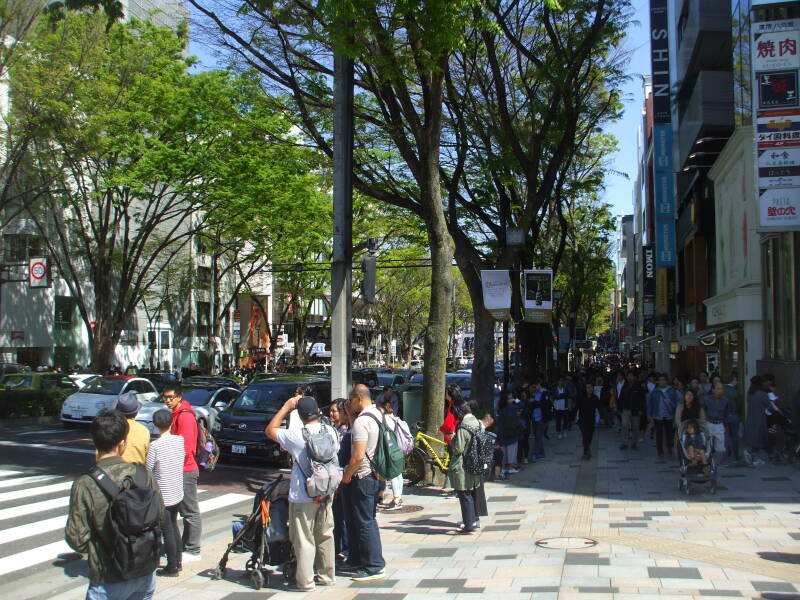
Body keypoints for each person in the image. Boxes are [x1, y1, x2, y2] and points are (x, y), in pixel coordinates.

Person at [66, 410, 163, 600]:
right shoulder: (143, 475)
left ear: (94, 442)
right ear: (122, 444)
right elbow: (160, 516)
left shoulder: (86, 483)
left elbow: (76, 538)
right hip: (145, 570)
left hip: (108, 575)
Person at [265, 395, 338, 592]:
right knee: (325, 534)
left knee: (304, 539)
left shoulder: (296, 435)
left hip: (303, 494)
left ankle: (305, 582)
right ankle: (327, 575)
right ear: (319, 412)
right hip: (326, 491)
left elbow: (270, 430)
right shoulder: (331, 431)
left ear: (300, 415)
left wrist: (285, 407)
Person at [341, 384, 386, 582]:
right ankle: (358, 559)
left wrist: (347, 476)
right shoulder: (378, 415)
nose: (349, 404)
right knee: (361, 520)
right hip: (377, 475)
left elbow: (358, 456)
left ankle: (374, 566)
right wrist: (351, 416)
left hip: (363, 477)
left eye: (351, 400)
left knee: (366, 522)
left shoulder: (362, 423)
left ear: (359, 398)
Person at [161, 383, 202, 562]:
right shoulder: (176, 414)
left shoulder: (184, 417)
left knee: (190, 511)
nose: (168, 401)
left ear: (179, 397)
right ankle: (185, 545)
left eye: (171, 398)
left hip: (186, 469)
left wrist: (171, 463)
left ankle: (193, 549)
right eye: (165, 398)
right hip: (180, 468)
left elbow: (187, 448)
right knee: (184, 510)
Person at [146, 409, 185, 577]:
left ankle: (172, 566)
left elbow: (148, 468)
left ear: (155, 425)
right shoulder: (179, 440)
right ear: (171, 423)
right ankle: (178, 561)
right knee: (174, 525)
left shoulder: (155, 445)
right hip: (177, 489)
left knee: (167, 529)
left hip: (163, 492)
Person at [448, 400, 483, 534]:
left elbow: (458, 448)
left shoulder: (463, 427)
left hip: (464, 464)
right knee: (472, 492)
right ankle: (474, 520)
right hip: (476, 462)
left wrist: (453, 438)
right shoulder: (477, 422)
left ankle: (469, 524)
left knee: (464, 494)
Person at [330, 399, 350, 562]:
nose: (331, 414)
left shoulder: (345, 431)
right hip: (336, 478)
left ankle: (344, 548)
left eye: (334, 411)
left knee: (341, 516)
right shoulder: (334, 429)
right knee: (337, 516)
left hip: (342, 478)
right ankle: (339, 547)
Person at [377, 396, 405, 511]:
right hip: (398, 449)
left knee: (392, 474)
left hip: (390, 449)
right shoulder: (395, 418)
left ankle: (396, 500)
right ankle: (399, 497)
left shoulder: (385, 420)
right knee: (399, 474)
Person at [647, 374, 680, 458]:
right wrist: (650, 414)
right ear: (657, 381)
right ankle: (660, 450)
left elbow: (676, 402)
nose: (662, 382)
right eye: (660, 380)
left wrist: (676, 413)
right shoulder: (654, 391)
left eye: (663, 380)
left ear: (666, 381)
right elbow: (650, 403)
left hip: (669, 415)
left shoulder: (671, 391)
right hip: (658, 415)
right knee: (659, 433)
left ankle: (669, 447)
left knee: (670, 433)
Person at [116, 391, 151, 465]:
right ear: (136, 412)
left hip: (115, 471)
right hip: (137, 472)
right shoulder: (143, 431)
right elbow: (147, 456)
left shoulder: (112, 427)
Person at [744, 375, 771, 465]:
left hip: (751, 419)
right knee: (758, 440)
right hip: (760, 419)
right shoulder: (762, 394)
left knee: (754, 439)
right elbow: (770, 407)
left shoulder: (750, 393)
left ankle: (751, 454)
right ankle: (754, 457)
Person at [618, 371, 646, 450]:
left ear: (634, 377)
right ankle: (624, 443)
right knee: (624, 425)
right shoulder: (625, 386)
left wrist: (641, 409)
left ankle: (634, 443)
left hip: (636, 410)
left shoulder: (638, 386)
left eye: (631, 376)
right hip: (626, 409)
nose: (630, 378)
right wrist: (619, 408)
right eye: (628, 376)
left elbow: (642, 399)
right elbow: (621, 397)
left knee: (635, 427)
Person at [496, 391, 522, 474]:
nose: (512, 399)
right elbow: (522, 405)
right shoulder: (512, 407)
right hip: (512, 432)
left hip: (502, 432)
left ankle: (503, 469)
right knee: (512, 450)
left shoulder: (500, 408)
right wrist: (516, 400)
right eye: (510, 398)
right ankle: (511, 467)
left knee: (503, 451)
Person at [576, 383, 601, 460]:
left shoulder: (595, 398)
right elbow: (575, 408)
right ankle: (586, 452)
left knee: (589, 437)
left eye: (590, 387)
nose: (589, 389)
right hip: (582, 420)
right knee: (585, 435)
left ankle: (586, 451)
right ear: (585, 388)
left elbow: (600, 408)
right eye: (587, 387)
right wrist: (571, 419)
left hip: (591, 421)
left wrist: (602, 418)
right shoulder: (581, 398)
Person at [703, 382, 729, 458]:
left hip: (720, 424)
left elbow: (726, 413)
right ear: (713, 390)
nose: (720, 391)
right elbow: (702, 410)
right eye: (718, 389)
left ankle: (717, 463)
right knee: (708, 446)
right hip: (709, 423)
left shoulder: (726, 400)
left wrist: (725, 424)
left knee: (721, 447)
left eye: (721, 389)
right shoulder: (707, 399)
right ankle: (707, 462)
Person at [529, 379, 549, 461]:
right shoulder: (534, 394)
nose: (534, 388)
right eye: (533, 387)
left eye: (535, 386)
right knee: (538, 436)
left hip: (542, 418)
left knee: (538, 436)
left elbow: (544, 404)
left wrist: (534, 402)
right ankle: (541, 453)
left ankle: (534, 454)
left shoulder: (544, 393)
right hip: (535, 418)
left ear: (539, 385)